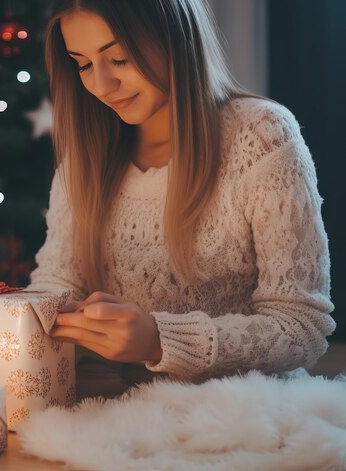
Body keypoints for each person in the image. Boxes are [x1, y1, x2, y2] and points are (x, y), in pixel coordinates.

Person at [27, 0, 336, 399]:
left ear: (176, 37)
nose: (101, 86)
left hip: (243, 410)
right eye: (83, 64)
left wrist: (159, 340)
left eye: (118, 58)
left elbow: (301, 328)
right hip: (114, 409)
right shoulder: (84, 159)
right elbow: (55, 285)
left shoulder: (260, 136)